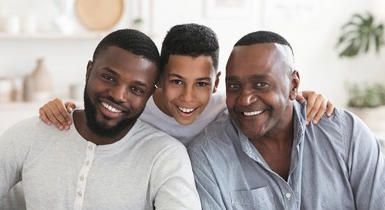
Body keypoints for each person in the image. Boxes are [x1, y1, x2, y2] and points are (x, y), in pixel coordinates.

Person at [0, 29, 211, 210]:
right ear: (89, 71)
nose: (118, 95)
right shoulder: (31, 134)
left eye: (136, 89)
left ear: (149, 94)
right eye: (109, 77)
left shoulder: (165, 155)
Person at [187, 30, 385, 210]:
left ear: (294, 85)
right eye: (234, 87)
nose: (245, 99)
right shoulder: (207, 156)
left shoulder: (344, 132)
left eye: (261, 84)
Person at [39, 24, 334, 146]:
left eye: (202, 83)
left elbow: (272, 102)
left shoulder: (228, 109)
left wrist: (303, 98)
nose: (189, 98)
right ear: (158, 80)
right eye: (177, 82)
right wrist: (64, 108)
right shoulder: (136, 109)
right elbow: (101, 113)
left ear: (217, 83)